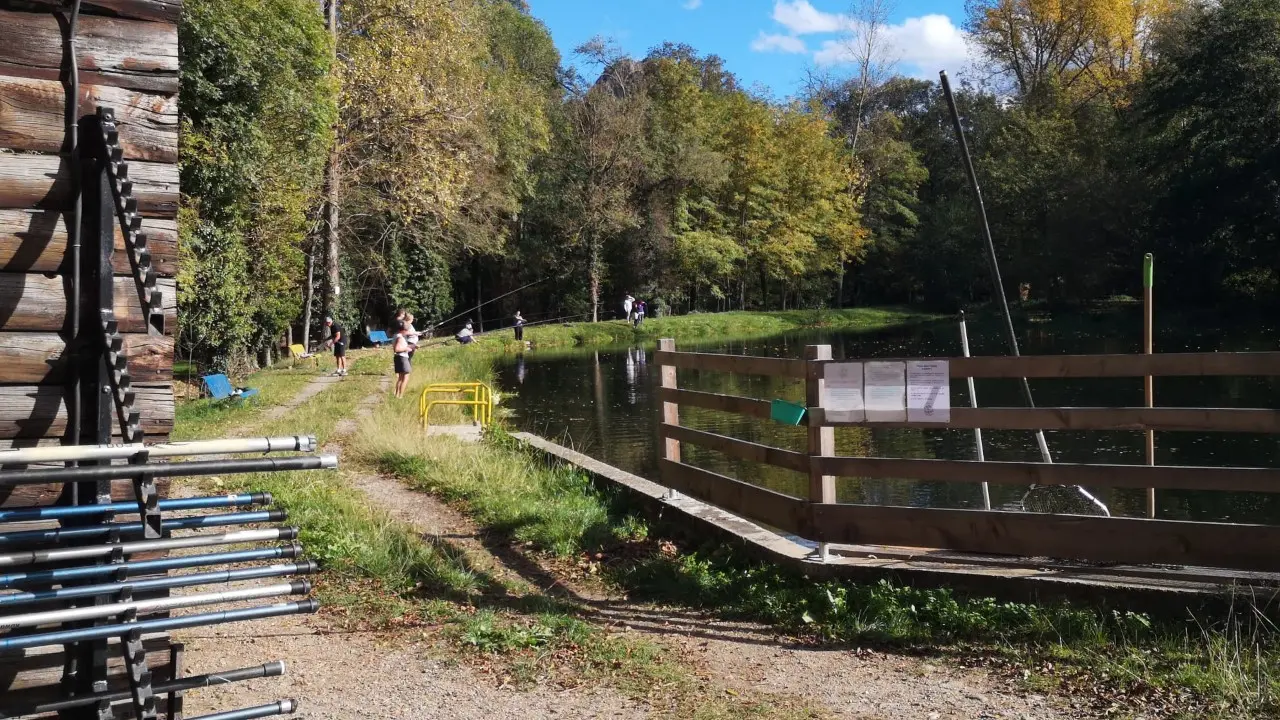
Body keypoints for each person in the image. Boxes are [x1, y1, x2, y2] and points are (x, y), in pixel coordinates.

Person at [392, 321, 412, 398]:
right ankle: (400, 396)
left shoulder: (396, 335)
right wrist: (406, 349)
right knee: (406, 377)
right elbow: (397, 349)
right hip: (402, 358)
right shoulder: (400, 338)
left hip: (398, 358)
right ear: (402, 330)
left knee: (400, 378)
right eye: (406, 330)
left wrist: (411, 347)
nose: (407, 332)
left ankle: (397, 395)